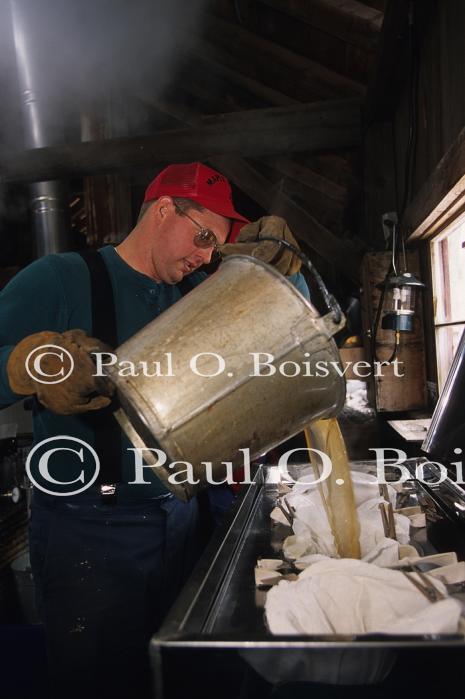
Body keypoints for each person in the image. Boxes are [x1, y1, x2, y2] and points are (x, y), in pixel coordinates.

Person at [0, 162, 308, 699]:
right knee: (98, 684)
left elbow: (291, 329)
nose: (207, 255)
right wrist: (29, 366)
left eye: (216, 246)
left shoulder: (198, 294)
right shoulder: (59, 278)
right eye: (203, 236)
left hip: (184, 521)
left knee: (182, 678)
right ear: (165, 209)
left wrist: (286, 270)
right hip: (88, 529)